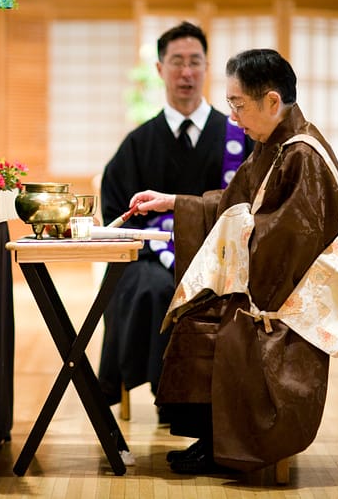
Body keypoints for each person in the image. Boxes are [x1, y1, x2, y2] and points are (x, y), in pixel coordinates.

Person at [128, 48, 338, 475]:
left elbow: (289, 242)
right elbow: (235, 205)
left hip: (290, 297)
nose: (233, 117)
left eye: (238, 105)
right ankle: (213, 440)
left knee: (224, 327)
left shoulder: (303, 154)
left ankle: (232, 447)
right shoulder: (273, 146)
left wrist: (237, 259)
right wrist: (174, 202)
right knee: (192, 314)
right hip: (270, 280)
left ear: (272, 101)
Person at [98, 21, 252, 417]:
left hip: (223, 259)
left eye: (195, 62)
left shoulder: (238, 137)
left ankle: (209, 408)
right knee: (152, 288)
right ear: (160, 68)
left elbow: (252, 205)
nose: (186, 72)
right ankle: (168, 397)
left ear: (207, 68)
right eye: (177, 62)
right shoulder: (138, 144)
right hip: (151, 258)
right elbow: (117, 215)